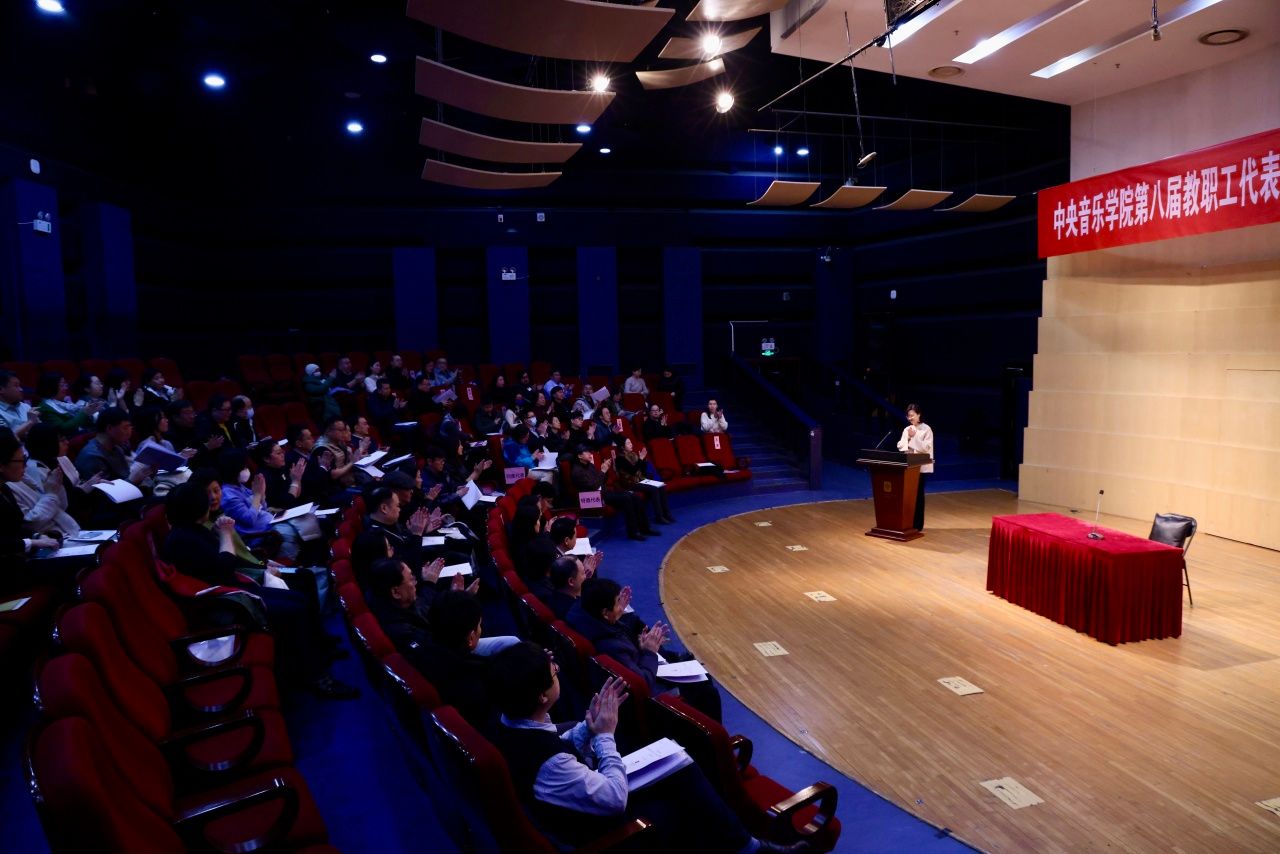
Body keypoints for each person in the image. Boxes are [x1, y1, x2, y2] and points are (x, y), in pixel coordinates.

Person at [486, 642, 804, 853]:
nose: (558, 673)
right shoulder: (550, 763)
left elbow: (556, 742)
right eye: (554, 674)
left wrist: (589, 728)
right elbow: (614, 799)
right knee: (686, 790)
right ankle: (749, 848)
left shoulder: (507, 722)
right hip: (604, 833)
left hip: (575, 801)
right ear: (542, 696)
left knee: (678, 764)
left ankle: (744, 844)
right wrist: (604, 735)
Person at [161, 481, 357, 699]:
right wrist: (225, 534)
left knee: (299, 598)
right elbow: (224, 566)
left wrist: (259, 565)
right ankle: (315, 676)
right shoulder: (183, 540)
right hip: (225, 600)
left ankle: (318, 652)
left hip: (232, 586)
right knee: (294, 609)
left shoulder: (191, 530)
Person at [568, 577, 721, 721]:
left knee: (698, 672)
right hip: (652, 699)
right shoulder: (612, 647)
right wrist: (649, 651)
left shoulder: (585, 619)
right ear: (605, 613)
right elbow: (642, 684)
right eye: (618, 602)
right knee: (708, 690)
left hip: (637, 668)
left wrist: (640, 647)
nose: (622, 607)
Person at [569, 444, 656, 541]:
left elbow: (601, 481)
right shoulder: (577, 471)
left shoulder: (590, 466)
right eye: (587, 452)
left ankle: (645, 528)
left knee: (635, 497)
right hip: (592, 498)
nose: (590, 454)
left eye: (590, 451)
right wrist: (602, 471)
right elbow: (593, 487)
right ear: (579, 456)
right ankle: (633, 533)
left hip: (603, 493)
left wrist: (605, 470)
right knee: (627, 497)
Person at [613, 435, 673, 524]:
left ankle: (666, 514)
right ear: (622, 447)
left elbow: (642, 471)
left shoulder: (633, 454)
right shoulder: (620, 459)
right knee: (653, 489)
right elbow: (632, 471)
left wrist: (643, 460)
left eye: (631, 442)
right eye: (628, 443)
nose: (631, 444)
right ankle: (659, 517)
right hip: (630, 483)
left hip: (640, 480)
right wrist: (640, 459)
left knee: (661, 486)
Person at [896, 403, 934, 532]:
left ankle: (918, 524)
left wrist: (913, 438)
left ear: (919, 415)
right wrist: (908, 438)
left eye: (912, 415)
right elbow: (901, 445)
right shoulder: (907, 429)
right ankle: (908, 522)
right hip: (909, 466)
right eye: (908, 416)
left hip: (920, 467)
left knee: (918, 495)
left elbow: (926, 447)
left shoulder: (926, 429)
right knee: (908, 495)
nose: (910, 418)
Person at [36, 372, 100, 434]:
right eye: (62, 385)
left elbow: (83, 423)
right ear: (51, 387)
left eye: (65, 384)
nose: (66, 388)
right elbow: (62, 429)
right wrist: (84, 413)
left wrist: (90, 413)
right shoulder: (44, 407)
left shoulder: (64, 402)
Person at [0, 370, 40, 440]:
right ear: (1, 389)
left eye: (20, 385)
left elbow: (41, 431)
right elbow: (5, 439)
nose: (21, 389)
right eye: (16, 386)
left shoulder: (26, 407)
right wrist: (30, 422)